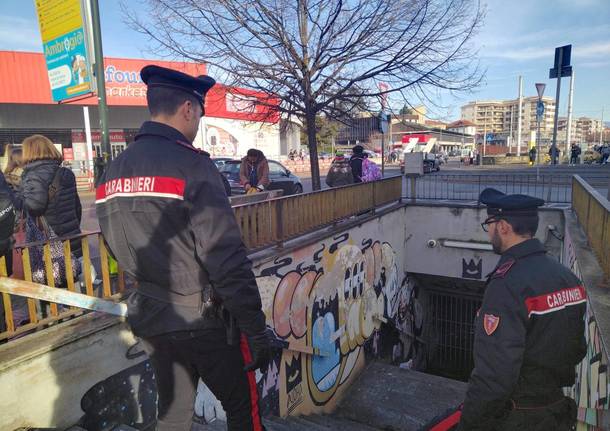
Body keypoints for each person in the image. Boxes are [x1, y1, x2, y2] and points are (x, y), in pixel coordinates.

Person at [95, 65, 270, 431]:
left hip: (151, 316)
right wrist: (256, 328)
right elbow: (226, 259)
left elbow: (112, 245)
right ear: (188, 109)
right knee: (242, 408)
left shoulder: (111, 172)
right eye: (200, 114)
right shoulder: (194, 167)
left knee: (173, 414)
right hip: (202, 322)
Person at [458, 188, 586, 430]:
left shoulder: (507, 285)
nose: (489, 233)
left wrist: (469, 424)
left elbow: (494, 376)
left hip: (518, 417)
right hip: (555, 412)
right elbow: (578, 348)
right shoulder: (566, 277)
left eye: (490, 225)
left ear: (503, 227)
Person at [17, 135, 82, 258]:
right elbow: (77, 207)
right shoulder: (66, 173)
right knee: (75, 273)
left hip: (49, 244)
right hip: (72, 238)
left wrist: (16, 198)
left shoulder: (33, 176)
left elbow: (34, 207)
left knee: (53, 275)